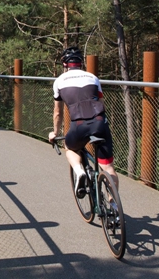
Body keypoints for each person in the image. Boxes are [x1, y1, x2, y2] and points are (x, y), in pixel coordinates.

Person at [47, 47, 119, 199]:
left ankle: (79, 172)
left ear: (65, 64)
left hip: (79, 125)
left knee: (70, 147)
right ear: (81, 63)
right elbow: (101, 103)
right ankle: (113, 205)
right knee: (108, 166)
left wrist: (55, 133)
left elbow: (58, 112)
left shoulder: (59, 81)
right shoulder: (93, 78)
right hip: (100, 123)